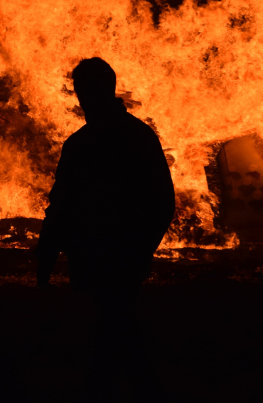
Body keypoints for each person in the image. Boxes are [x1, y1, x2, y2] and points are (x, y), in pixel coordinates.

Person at [35, 57, 175, 400]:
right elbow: (163, 202)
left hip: (98, 255)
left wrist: (45, 262)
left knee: (115, 326)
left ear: (81, 93)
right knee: (115, 326)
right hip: (125, 254)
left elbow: (62, 208)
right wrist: (143, 249)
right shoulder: (140, 136)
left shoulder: (82, 144)